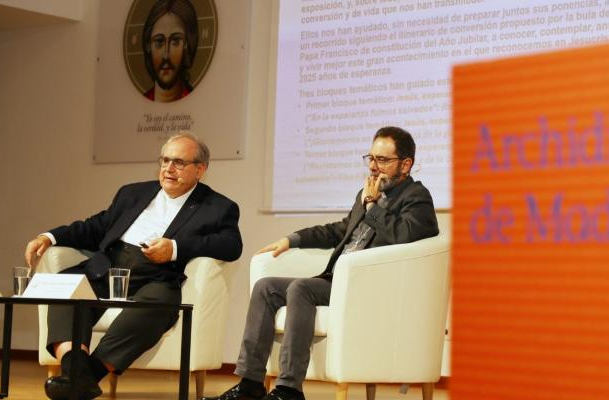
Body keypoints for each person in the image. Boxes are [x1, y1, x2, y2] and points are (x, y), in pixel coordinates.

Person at [204, 127, 439, 400]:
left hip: (367, 285)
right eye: (371, 158)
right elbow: (340, 230)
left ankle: (288, 389)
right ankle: (250, 385)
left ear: (406, 164)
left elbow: (404, 235)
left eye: (383, 160)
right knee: (265, 287)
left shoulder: (416, 197)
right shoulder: (367, 193)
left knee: (301, 288)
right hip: (338, 280)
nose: (373, 167)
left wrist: (372, 206)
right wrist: (292, 240)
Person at [24, 132, 243, 400]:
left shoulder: (217, 207)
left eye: (179, 162)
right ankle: (77, 374)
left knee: (158, 305)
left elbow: (231, 245)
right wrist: (49, 237)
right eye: (165, 160)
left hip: (157, 277)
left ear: (200, 169)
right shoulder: (133, 193)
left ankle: (83, 376)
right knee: (64, 288)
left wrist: (175, 248)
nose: (168, 168)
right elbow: (96, 227)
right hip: (107, 267)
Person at [141, 0, 199, 102]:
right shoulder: (138, 103)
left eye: (175, 41)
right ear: (148, 46)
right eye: (159, 42)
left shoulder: (198, 101)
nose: (166, 55)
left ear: (187, 44)